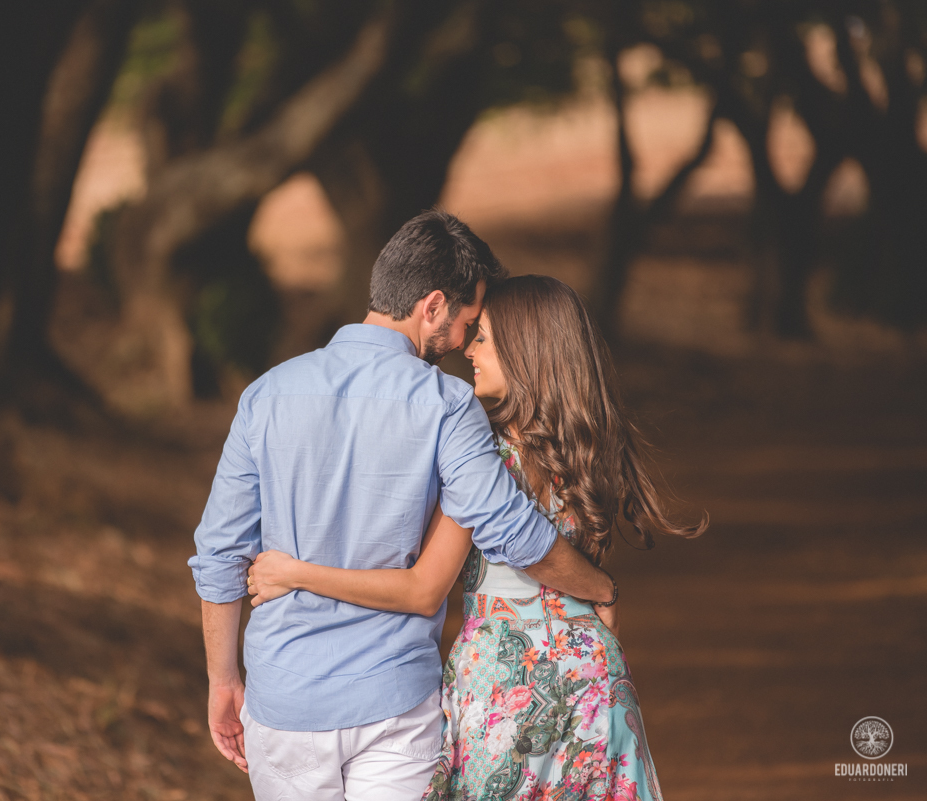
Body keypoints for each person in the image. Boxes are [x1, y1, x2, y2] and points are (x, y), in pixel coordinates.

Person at [190, 212, 617, 801]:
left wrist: (223, 680)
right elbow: (508, 527)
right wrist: (598, 587)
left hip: (285, 698)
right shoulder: (447, 406)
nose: (467, 341)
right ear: (433, 305)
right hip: (393, 703)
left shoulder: (266, 395)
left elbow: (218, 554)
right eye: (469, 322)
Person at [248, 274, 708, 800]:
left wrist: (294, 572)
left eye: (483, 337)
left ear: (525, 351)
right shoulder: (588, 448)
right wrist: (604, 589)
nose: (467, 348)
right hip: (593, 678)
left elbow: (423, 588)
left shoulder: (479, 461)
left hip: (505, 686)